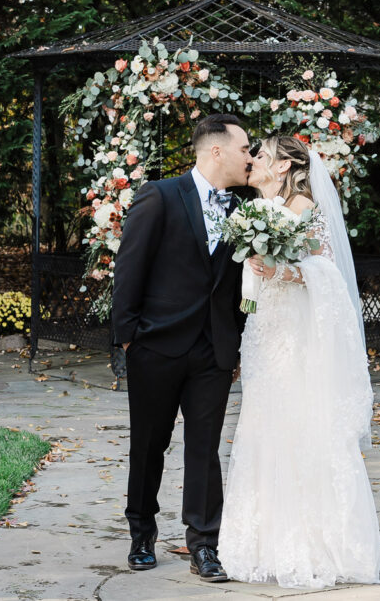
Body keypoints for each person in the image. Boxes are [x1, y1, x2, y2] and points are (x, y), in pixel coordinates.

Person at [218, 134, 380, 588]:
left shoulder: (305, 208)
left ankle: (311, 544)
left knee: (300, 425)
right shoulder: (253, 211)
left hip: (295, 334)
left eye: (263, 156)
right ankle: (261, 543)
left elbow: (324, 269)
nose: (253, 161)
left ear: (286, 166)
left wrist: (280, 271)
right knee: (261, 425)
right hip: (264, 330)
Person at [111, 113, 253, 582]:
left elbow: (235, 285)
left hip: (213, 350)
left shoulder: (246, 212)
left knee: (204, 448)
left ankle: (204, 544)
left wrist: (233, 342)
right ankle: (141, 532)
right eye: (244, 149)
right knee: (149, 444)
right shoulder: (160, 196)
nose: (249, 158)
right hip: (155, 345)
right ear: (217, 151)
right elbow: (129, 269)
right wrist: (129, 338)